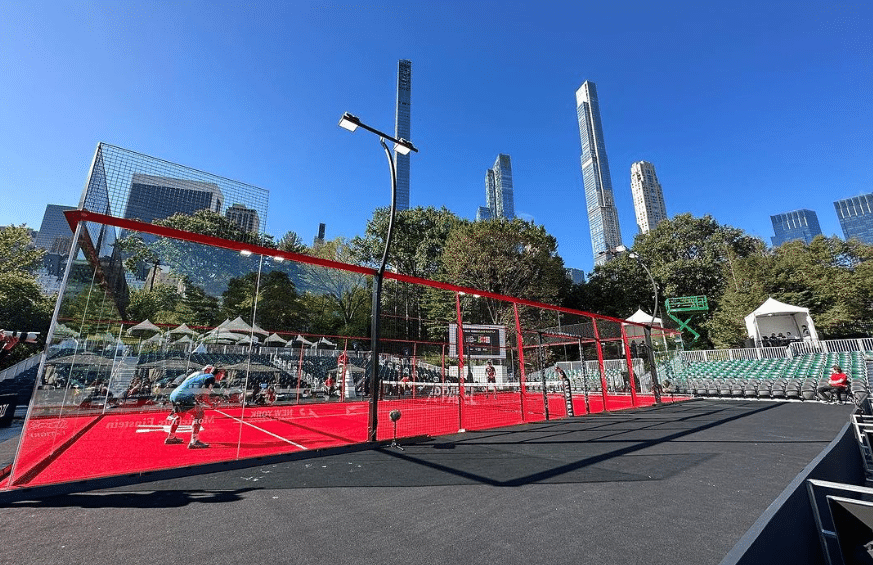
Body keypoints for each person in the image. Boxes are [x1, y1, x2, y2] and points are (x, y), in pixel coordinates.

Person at [165, 365, 218, 448]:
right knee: (199, 414)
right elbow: (203, 394)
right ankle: (194, 441)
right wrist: (211, 404)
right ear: (207, 369)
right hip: (184, 395)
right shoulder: (204, 376)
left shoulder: (197, 374)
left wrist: (195, 398)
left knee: (180, 415)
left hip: (176, 394)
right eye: (210, 370)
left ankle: (171, 437)